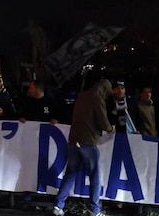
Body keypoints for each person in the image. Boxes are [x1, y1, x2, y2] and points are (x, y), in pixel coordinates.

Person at [52, 78, 115, 216]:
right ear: (104, 90)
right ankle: (95, 209)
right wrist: (111, 129)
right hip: (88, 142)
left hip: (73, 139)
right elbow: (103, 122)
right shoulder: (97, 99)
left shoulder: (82, 96)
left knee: (70, 173)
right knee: (94, 177)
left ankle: (58, 206)